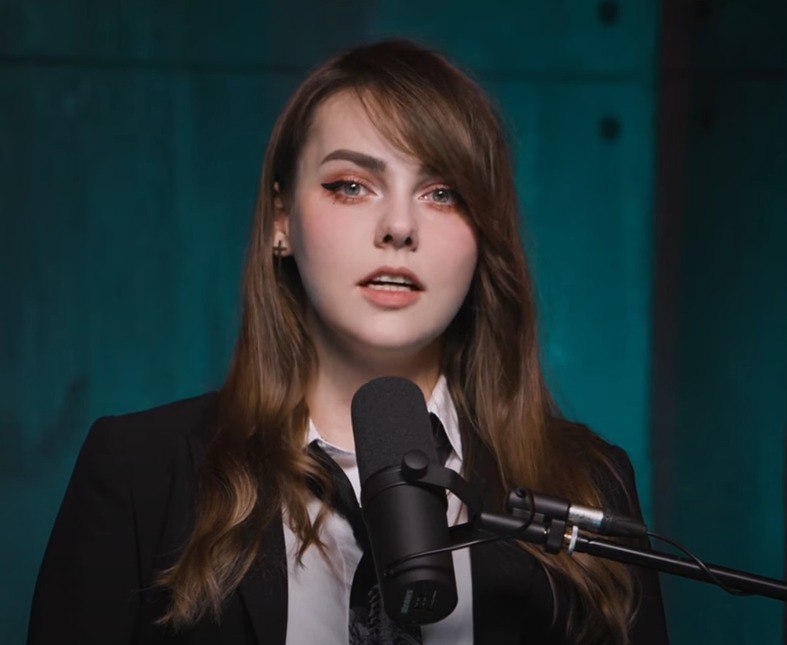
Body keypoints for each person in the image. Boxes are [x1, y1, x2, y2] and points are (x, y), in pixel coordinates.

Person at [28, 40, 668, 644]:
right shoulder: (141, 471)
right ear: (281, 220)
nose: (399, 226)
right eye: (351, 185)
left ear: (485, 235)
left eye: (442, 193)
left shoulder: (588, 485)